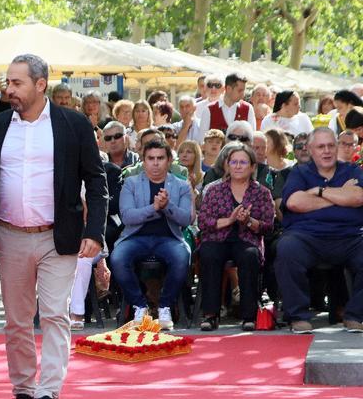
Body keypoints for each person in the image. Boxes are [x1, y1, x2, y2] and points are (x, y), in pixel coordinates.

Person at [0, 54, 107, 399]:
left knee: (53, 314)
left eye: (16, 83)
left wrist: (94, 233)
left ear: (40, 84)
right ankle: (23, 394)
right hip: (9, 236)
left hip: (57, 237)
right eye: (7, 83)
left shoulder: (73, 125)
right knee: (16, 321)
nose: (8, 89)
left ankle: (47, 394)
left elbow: (96, 182)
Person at [276, 127, 363, 334]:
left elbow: (358, 197)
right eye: (320, 146)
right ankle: (298, 316)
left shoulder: (352, 171)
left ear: (337, 147)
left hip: (349, 236)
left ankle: (356, 315)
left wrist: (319, 192)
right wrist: (341, 196)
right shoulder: (299, 172)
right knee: (286, 248)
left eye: (331, 145)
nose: (326, 151)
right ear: (311, 150)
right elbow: (295, 203)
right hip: (307, 237)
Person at [111, 138, 193, 329]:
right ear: (143, 160)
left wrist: (167, 206)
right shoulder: (130, 183)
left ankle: (165, 306)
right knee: (117, 257)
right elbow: (128, 217)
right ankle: (140, 306)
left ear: (169, 160)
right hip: (135, 237)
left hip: (169, 238)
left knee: (182, 256)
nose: (155, 163)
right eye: (151, 158)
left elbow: (186, 219)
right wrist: (154, 208)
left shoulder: (181, 185)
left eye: (160, 158)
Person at [197, 143, 274, 331]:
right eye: (234, 162)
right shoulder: (214, 190)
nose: (238, 166)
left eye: (243, 162)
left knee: (249, 255)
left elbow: (268, 226)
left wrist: (248, 221)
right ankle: (211, 315)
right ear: (227, 165)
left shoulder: (261, 192)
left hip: (247, 239)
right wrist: (230, 219)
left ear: (252, 167)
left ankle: (248, 316)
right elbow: (203, 222)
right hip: (217, 238)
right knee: (209, 254)